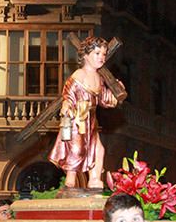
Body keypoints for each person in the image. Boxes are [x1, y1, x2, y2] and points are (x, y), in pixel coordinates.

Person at [48, 36, 124, 189]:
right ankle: (70, 179)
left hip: (92, 120)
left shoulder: (99, 78)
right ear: (85, 55)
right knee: (77, 148)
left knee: (98, 150)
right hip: (78, 118)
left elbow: (104, 99)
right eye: (97, 53)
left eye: (104, 54)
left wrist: (117, 92)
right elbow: (68, 95)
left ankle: (94, 179)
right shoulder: (78, 75)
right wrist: (67, 107)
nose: (102, 57)